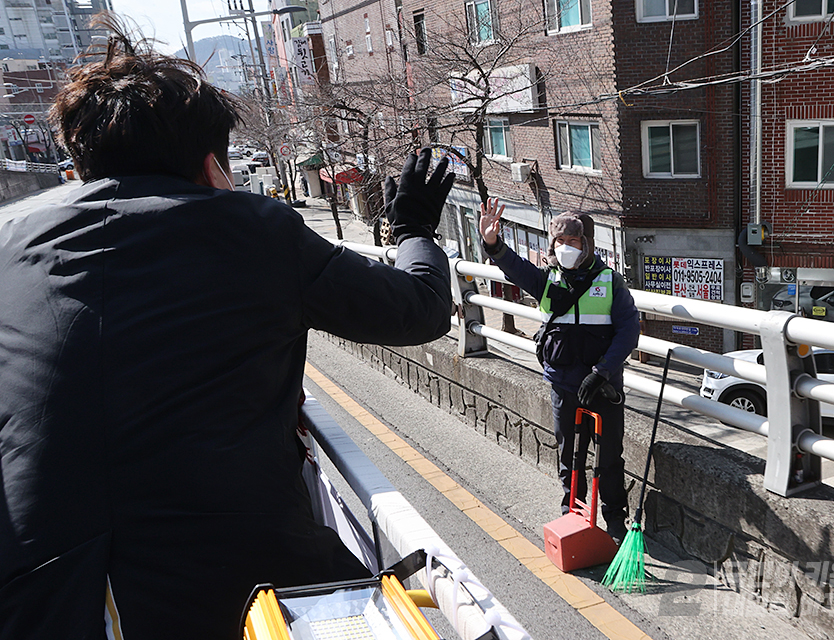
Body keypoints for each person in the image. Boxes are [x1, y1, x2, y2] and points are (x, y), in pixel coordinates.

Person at [0, 15, 454, 639]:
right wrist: (414, 233)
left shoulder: (12, 248)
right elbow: (420, 310)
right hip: (230, 586)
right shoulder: (251, 228)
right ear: (212, 165)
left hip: (39, 596)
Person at [480, 198, 641, 543]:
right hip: (564, 383)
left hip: (603, 384)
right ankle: (574, 513)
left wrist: (602, 371)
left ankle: (615, 519)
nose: (566, 248)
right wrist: (493, 243)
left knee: (610, 456)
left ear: (588, 244)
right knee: (569, 454)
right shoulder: (547, 281)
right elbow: (514, 267)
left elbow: (629, 330)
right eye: (560, 242)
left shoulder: (610, 282)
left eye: (574, 242)